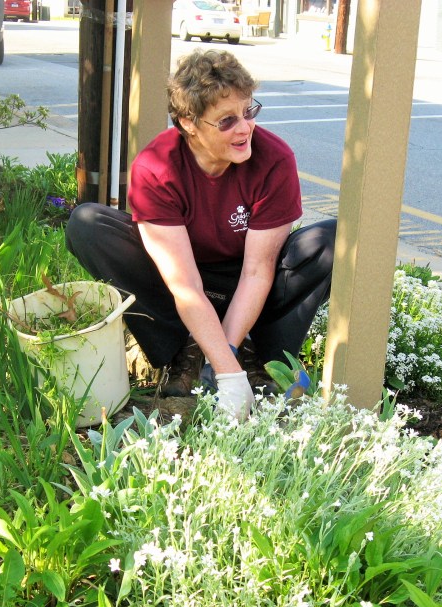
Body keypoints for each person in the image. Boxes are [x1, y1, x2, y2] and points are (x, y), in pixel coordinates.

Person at [66, 49, 336, 421]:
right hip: (185, 280)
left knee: (327, 241)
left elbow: (258, 271)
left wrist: (223, 357)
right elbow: (185, 284)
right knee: (88, 224)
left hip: (249, 279)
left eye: (248, 111)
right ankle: (182, 351)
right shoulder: (155, 167)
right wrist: (227, 374)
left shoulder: (274, 160)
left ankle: (255, 350)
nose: (244, 128)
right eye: (226, 121)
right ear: (188, 122)